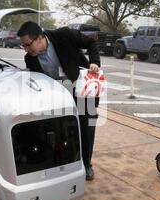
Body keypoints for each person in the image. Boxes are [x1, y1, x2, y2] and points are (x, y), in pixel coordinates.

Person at [17, 21, 101, 181]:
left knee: (86, 126)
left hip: (82, 87)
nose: (27, 50)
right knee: (62, 129)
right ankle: (67, 163)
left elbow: (91, 43)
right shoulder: (30, 59)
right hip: (59, 95)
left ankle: (86, 164)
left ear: (40, 37)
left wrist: (94, 62)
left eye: (28, 45)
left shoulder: (64, 35)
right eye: (24, 47)